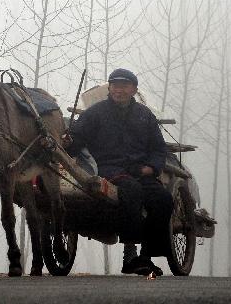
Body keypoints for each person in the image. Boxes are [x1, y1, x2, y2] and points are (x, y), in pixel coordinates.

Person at [63, 68, 173, 276]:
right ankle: (130, 255)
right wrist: (69, 142)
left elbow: (158, 148)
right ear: (109, 88)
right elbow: (77, 140)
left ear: (134, 90)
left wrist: (153, 167)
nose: (118, 90)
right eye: (114, 86)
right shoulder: (95, 113)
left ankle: (146, 256)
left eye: (124, 86)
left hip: (141, 171)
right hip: (110, 170)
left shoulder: (144, 115)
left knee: (164, 199)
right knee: (132, 191)